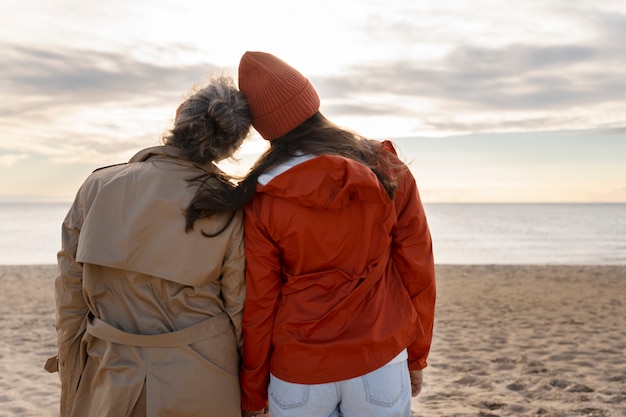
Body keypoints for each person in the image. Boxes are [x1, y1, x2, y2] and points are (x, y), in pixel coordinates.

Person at [230, 51, 436, 417]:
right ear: (311, 100)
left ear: (264, 128)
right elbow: (416, 269)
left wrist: (253, 390)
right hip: (379, 359)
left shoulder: (262, 195)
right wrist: (417, 355)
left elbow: (261, 301)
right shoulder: (385, 167)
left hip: (299, 371)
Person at [46, 75, 252, 417]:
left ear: (180, 113)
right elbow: (239, 307)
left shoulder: (98, 186)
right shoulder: (227, 203)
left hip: (111, 375)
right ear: (232, 146)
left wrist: (72, 377)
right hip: (204, 380)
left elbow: (70, 300)